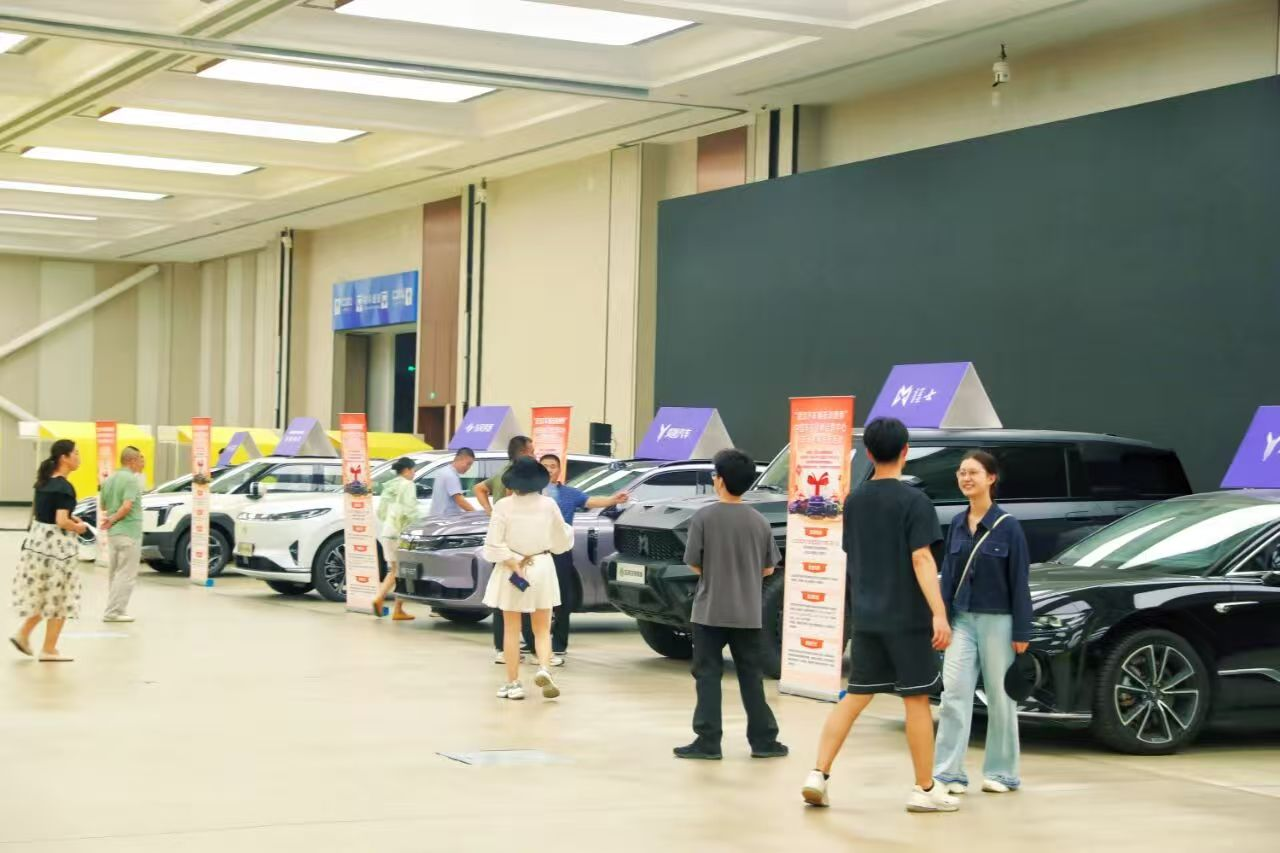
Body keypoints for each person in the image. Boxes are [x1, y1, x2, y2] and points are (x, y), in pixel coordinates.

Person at [801, 417, 957, 814]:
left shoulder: (854, 501)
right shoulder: (915, 502)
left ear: (868, 453)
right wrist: (939, 613)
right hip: (908, 620)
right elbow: (922, 558)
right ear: (906, 451)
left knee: (855, 696)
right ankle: (924, 789)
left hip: (867, 618)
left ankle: (818, 773)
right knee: (916, 700)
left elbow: (853, 555)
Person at [675, 448, 787, 761]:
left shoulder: (704, 517)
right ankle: (764, 740)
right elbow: (769, 569)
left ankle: (708, 741)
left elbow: (693, 563)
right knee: (751, 676)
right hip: (747, 613)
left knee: (708, 675)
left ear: (721, 480)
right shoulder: (760, 521)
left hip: (709, 611)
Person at [933, 450, 1032, 795]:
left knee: (1001, 698)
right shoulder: (957, 524)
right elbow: (948, 577)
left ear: (991, 478)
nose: (966, 478)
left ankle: (1003, 774)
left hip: (998, 622)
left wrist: (1022, 630)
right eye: (961, 472)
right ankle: (948, 774)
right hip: (961, 620)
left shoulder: (1009, 527)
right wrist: (941, 618)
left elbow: (1020, 581)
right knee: (953, 694)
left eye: (973, 472)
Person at [481, 457, 573, 701]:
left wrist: (513, 563)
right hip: (542, 566)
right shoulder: (549, 504)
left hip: (513, 569)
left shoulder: (503, 506)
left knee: (511, 629)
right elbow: (561, 541)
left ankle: (513, 684)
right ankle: (544, 668)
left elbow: (493, 545)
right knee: (542, 629)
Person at [539, 453, 628, 666]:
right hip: (535, 552)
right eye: (545, 466)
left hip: (560, 552)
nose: (549, 470)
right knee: (535, 599)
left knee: (562, 598)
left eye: (553, 466)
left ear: (559, 470)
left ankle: (559, 644)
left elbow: (591, 501)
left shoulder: (569, 494)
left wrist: (613, 500)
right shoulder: (532, 494)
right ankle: (533, 643)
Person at [9, 440, 88, 663]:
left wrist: (70, 518)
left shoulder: (43, 482)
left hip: (37, 546)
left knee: (44, 595)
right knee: (60, 598)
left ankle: (23, 634)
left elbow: (46, 513)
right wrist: (78, 527)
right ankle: (49, 649)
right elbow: (61, 521)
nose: (79, 457)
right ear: (64, 457)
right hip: (58, 550)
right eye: (76, 453)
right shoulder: (65, 487)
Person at [479, 436, 537, 662]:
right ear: (523, 453)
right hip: (517, 549)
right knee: (524, 596)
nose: (534, 455)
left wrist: (490, 511)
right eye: (532, 451)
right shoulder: (516, 475)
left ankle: (503, 649)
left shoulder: (501, 472)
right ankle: (532, 648)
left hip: (504, 549)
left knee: (505, 599)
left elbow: (479, 488)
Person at [98, 446, 145, 623]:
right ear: (132, 461)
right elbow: (126, 506)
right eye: (140, 459)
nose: (142, 463)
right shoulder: (131, 480)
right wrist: (113, 519)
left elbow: (103, 506)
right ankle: (114, 611)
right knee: (126, 573)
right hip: (129, 531)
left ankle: (116, 608)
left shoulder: (110, 479)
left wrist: (111, 518)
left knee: (116, 573)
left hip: (114, 534)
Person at [372, 457, 420, 621]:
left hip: (387, 531)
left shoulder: (390, 486)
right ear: (406, 470)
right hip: (401, 532)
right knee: (403, 571)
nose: (414, 474)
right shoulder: (408, 485)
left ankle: (386, 602)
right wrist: (417, 525)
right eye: (413, 470)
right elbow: (410, 511)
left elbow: (381, 512)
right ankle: (388, 603)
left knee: (395, 570)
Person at [427, 448, 476, 519]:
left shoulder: (443, 471)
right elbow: (460, 501)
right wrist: (476, 514)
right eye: (468, 464)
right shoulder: (451, 475)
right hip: (446, 518)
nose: (469, 467)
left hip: (437, 517)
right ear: (459, 459)